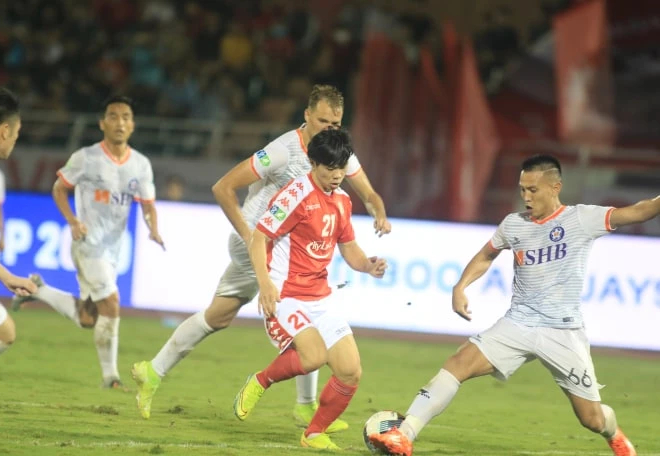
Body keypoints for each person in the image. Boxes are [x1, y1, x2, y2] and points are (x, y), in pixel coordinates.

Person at [131, 84, 391, 429]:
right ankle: (300, 403)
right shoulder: (282, 151)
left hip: (286, 243)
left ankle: (153, 371)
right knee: (303, 307)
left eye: (335, 123)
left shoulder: (332, 151)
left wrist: (378, 212)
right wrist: (248, 235)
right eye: (323, 121)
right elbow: (223, 187)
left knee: (219, 315)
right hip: (260, 242)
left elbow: (368, 193)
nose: (329, 129)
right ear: (307, 115)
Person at [369, 154, 644, 456]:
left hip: (563, 331)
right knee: (458, 363)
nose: (526, 197)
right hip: (518, 323)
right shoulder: (514, 224)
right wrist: (460, 286)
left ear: (555, 187)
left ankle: (614, 434)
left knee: (591, 419)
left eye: (533, 190)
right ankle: (404, 435)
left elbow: (638, 212)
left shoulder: (582, 219)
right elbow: (486, 255)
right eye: (522, 189)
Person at [233, 128, 387, 449]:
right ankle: (260, 381)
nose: (337, 175)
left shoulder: (342, 201)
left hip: (320, 297)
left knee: (350, 371)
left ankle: (313, 433)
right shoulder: (295, 195)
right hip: (285, 294)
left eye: (341, 168)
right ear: (313, 163)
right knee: (313, 356)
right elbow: (260, 238)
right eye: (329, 168)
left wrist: (367, 265)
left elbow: (348, 247)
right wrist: (265, 284)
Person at [12, 95, 165, 388]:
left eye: (125, 117)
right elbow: (59, 188)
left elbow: (148, 204)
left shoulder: (141, 165)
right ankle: (111, 378)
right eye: (113, 116)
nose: (119, 122)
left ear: (133, 125)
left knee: (88, 318)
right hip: (88, 244)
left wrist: (153, 229)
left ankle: (37, 289)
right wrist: (73, 221)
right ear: (102, 123)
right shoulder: (86, 157)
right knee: (112, 302)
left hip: (114, 249)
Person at [0, 87, 38, 370]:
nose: (15, 139)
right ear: (4, 131)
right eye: (16, 132)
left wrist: (6, 276)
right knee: (2, 331)